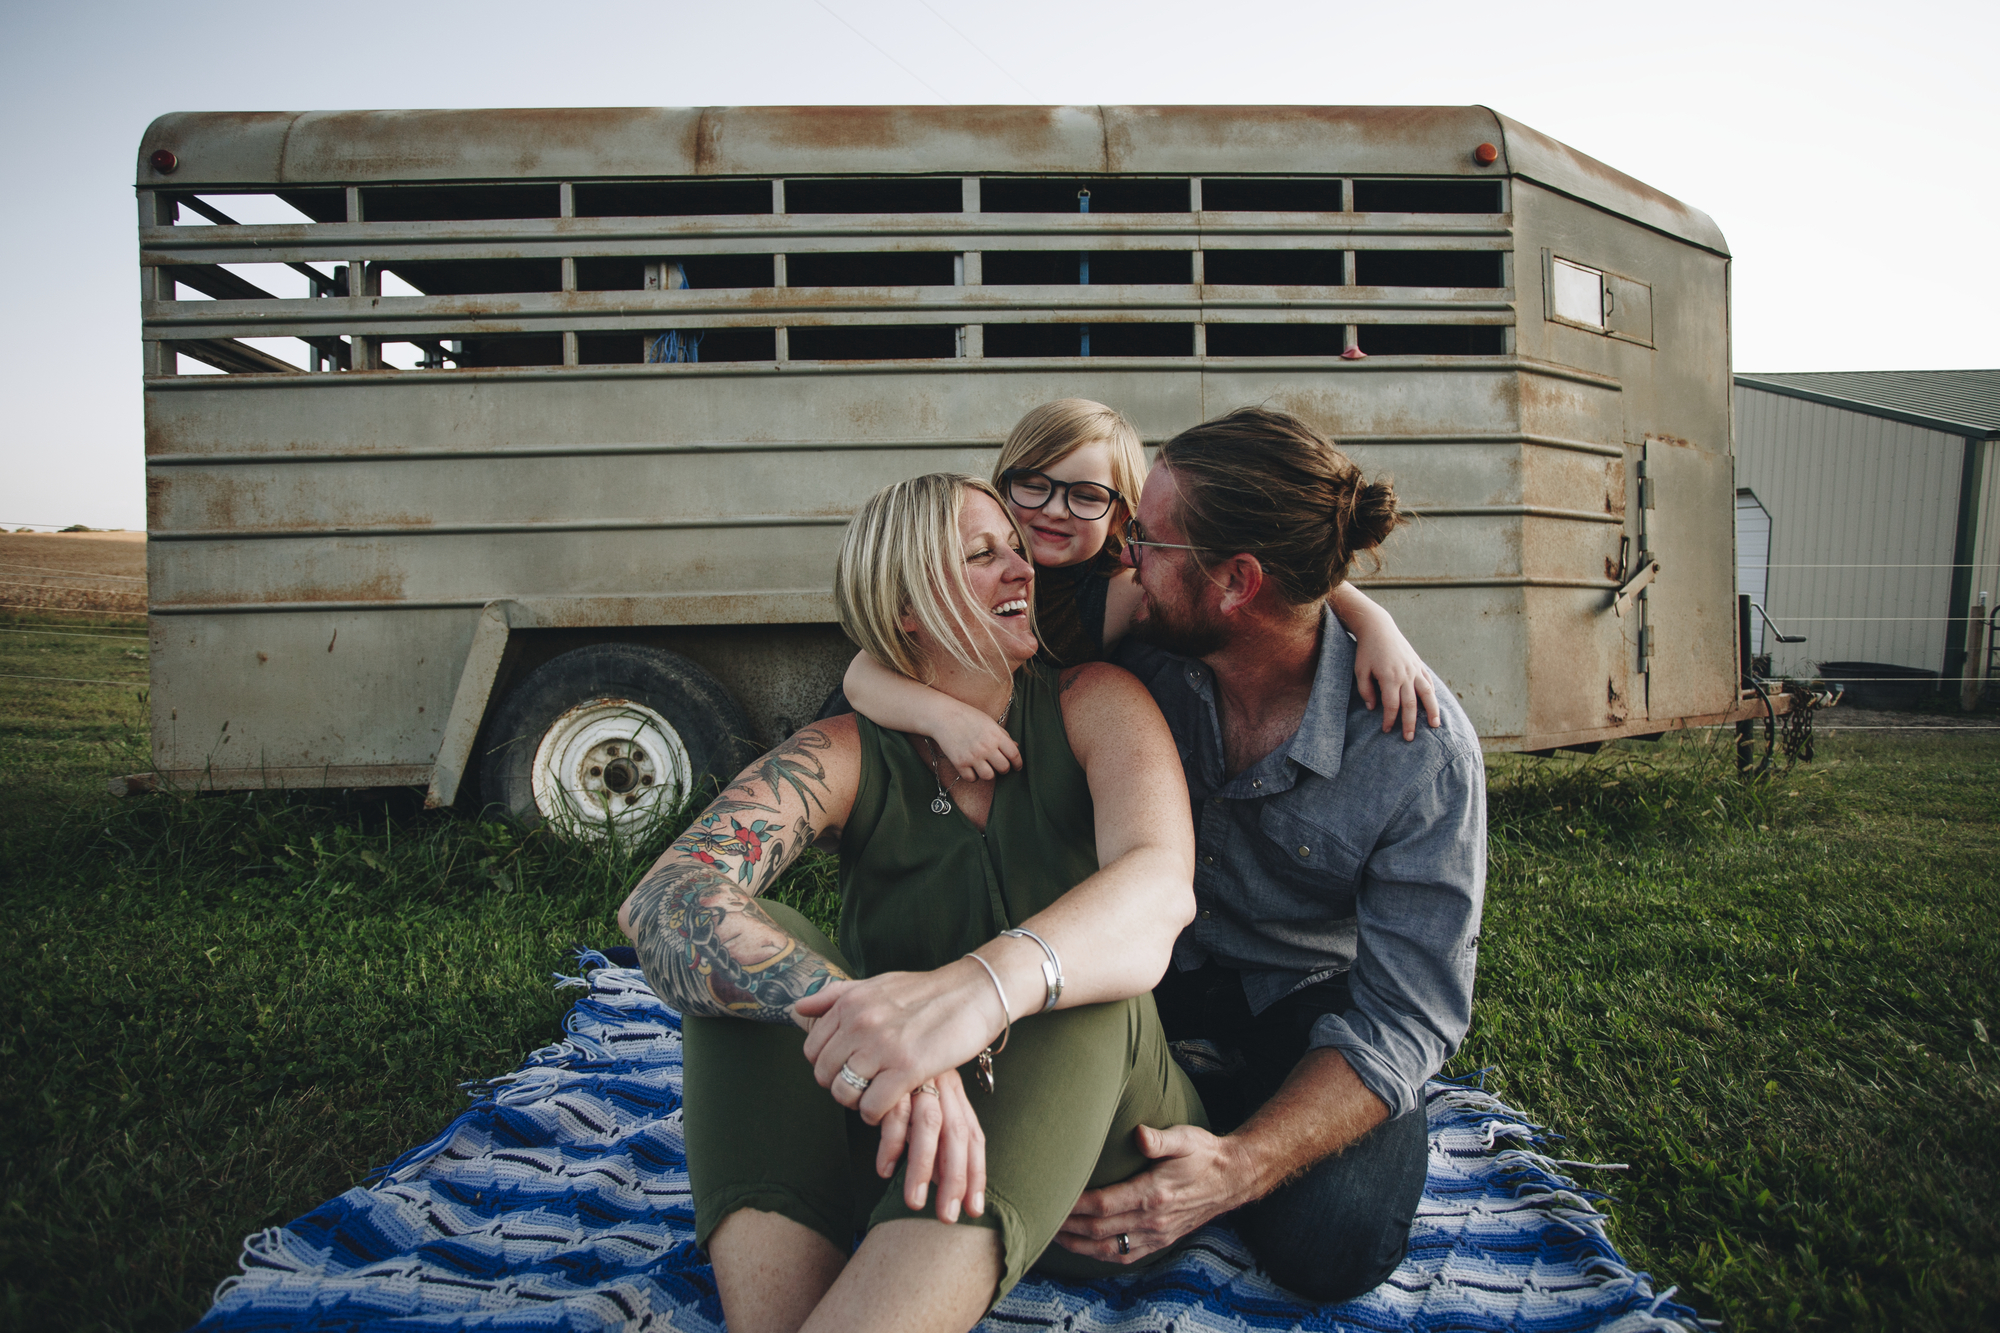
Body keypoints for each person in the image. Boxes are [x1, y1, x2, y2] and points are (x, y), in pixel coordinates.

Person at [617, 473, 1208, 1333]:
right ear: (905, 610)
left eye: (1016, 548)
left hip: (1106, 1170)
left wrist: (970, 998)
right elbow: (664, 898)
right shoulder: (848, 751)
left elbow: (1158, 884)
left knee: (1087, 982)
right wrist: (878, 1024)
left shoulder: (1094, 704)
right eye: (982, 553)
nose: (1021, 569)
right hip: (909, 1142)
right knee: (750, 954)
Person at [1054, 407, 1487, 1304]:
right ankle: (1182, 1104)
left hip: (1300, 999)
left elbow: (1409, 1015)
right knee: (1035, 1174)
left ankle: (1214, 1130)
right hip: (1144, 972)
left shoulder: (1418, 753)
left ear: (1237, 582)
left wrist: (1240, 1167)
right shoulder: (1143, 650)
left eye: (1149, 537)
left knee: (1336, 1242)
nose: (1127, 552)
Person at [841, 400, 1440, 784]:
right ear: (1003, 483)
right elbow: (863, 674)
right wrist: (942, 717)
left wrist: (1374, 621)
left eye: (1085, 496)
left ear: (1125, 513)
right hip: (946, 754)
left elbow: (1279, 571)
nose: (1052, 511)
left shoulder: (1125, 589)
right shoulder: (967, 570)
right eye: (1032, 484)